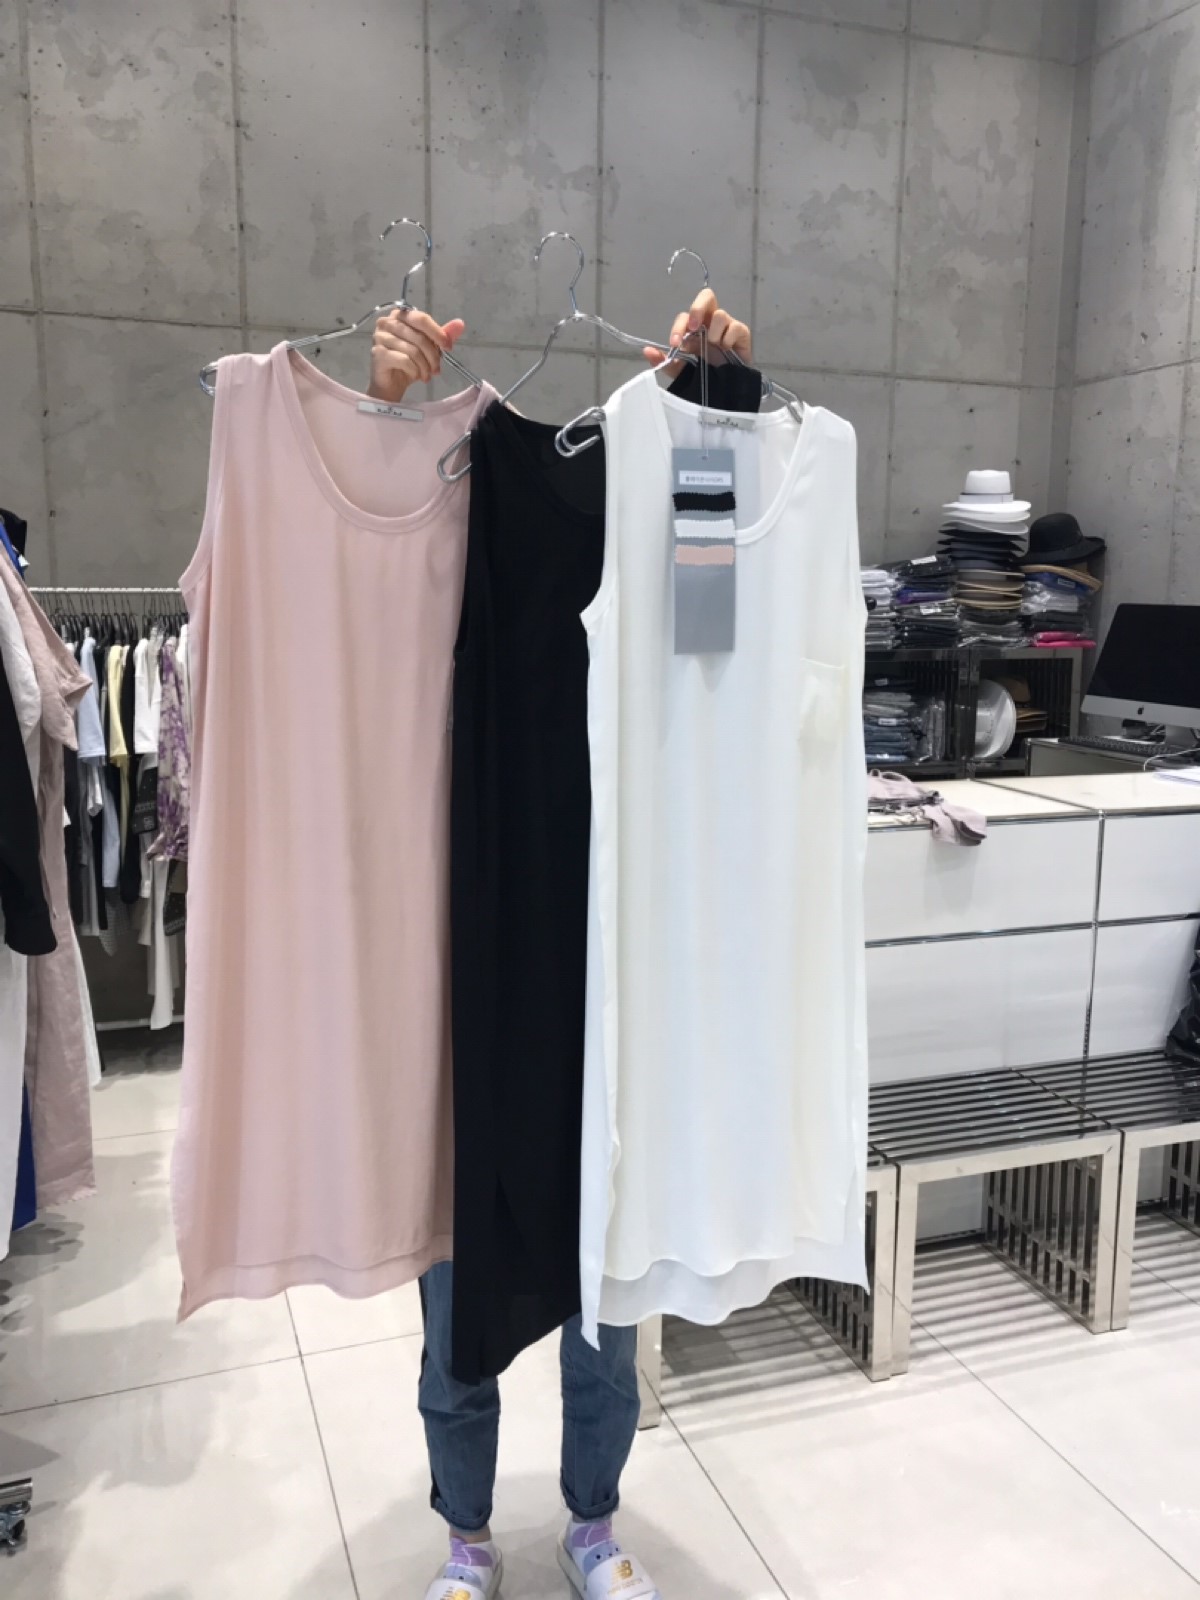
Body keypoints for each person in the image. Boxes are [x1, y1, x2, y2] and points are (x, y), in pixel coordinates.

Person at [368, 291, 753, 1600]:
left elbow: (715, 629)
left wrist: (714, 410)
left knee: (609, 1281)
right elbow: (367, 607)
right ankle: (466, 1535)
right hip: (469, 917)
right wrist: (388, 406)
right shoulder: (453, 482)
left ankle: (593, 1520)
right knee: (457, 1274)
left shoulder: (671, 485)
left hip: (621, 930)